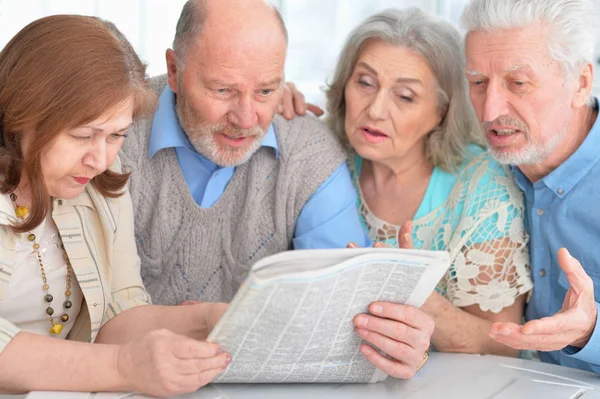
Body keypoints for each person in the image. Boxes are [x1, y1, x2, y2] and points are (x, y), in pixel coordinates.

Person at [0, 15, 231, 396]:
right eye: (82, 135)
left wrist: (209, 320)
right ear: (21, 115)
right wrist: (124, 366)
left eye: (117, 135)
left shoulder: (99, 181)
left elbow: (117, 315)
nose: (100, 159)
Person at [120, 0, 372, 305]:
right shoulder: (112, 133)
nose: (246, 119)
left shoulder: (309, 153)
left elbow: (339, 302)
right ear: (174, 70)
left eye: (265, 91)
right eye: (223, 90)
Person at [322, 8, 533, 359]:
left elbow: (502, 344)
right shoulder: (325, 158)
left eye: (404, 96)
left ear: (442, 111)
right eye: (364, 82)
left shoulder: (482, 184)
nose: (375, 110)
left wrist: (417, 295)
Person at [461, 0, 600, 373]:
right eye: (477, 82)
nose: (489, 112)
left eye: (518, 84)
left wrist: (591, 332)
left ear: (581, 83)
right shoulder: (479, 167)